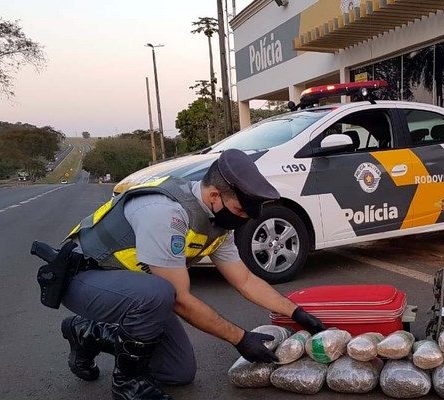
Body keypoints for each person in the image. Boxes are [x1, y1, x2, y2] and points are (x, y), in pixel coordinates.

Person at [59, 149, 325, 400]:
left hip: (135, 290)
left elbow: (244, 280)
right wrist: (241, 338)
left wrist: (295, 312)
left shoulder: (218, 224)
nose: (243, 220)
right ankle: (127, 383)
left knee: (178, 372)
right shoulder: (165, 212)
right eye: (240, 211)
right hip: (85, 278)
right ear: (214, 196)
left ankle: (87, 333)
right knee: (161, 293)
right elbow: (179, 299)